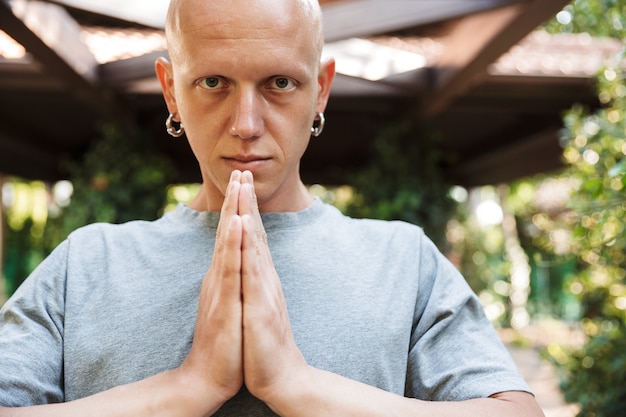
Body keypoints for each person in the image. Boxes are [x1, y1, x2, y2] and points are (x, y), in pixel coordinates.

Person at [0, 0, 545, 415]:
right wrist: (187, 387)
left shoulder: (403, 260)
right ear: (171, 90)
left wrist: (296, 385)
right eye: (213, 82)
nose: (246, 124)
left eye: (280, 83)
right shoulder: (87, 263)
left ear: (321, 90)